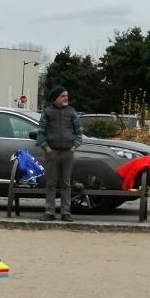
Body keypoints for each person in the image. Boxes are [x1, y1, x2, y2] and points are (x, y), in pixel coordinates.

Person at [35, 85, 83, 221]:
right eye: (63, 96)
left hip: (68, 152)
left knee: (66, 184)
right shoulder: (47, 112)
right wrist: (47, 148)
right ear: (56, 97)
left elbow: (79, 132)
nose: (66, 98)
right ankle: (49, 211)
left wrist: (74, 147)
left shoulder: (71, 112)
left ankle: (65, 212)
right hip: (52, 152)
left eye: (67, 95)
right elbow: (40, 133)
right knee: (51, 183)